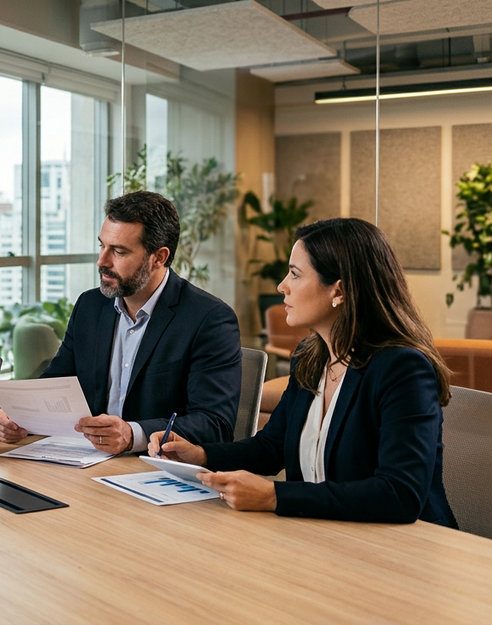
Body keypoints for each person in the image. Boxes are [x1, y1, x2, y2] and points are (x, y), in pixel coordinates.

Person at [150, 218, 457, 526]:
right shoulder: (309, 358)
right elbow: (272, 447)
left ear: (338, 290)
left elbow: (398, 494)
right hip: (321, 536)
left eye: (295, 274)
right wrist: (201, 456)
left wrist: (274, 496)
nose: (282, 285)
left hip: (405, 552)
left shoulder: (403, 370)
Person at [0, 190, 241, 454]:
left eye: (119, 251)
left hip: (155, 471)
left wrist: (133, 434)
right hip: (85, 463)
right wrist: (16, 418)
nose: (102, 261)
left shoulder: (209, 319)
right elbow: (54, 385)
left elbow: (215, 424)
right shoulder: (90, 306)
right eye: (102, 246)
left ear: (159, 257)